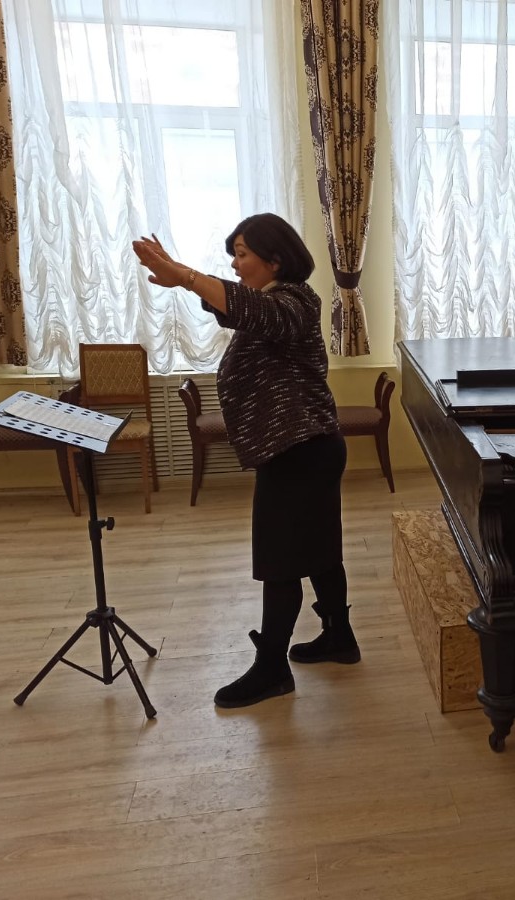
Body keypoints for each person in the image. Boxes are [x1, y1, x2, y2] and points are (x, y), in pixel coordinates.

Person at [133, 214, 360, 709]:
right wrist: (183, 279)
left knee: (280, 562)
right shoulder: (275, 301)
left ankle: (272, 669)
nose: (235, 265)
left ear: (274, 260)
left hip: (301, 452)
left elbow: (254, 310)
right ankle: (339, 637)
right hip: (304, 449)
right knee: (319, 548)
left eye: (241, 255)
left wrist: (185, 275)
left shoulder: (296, 301)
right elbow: (237, 309)